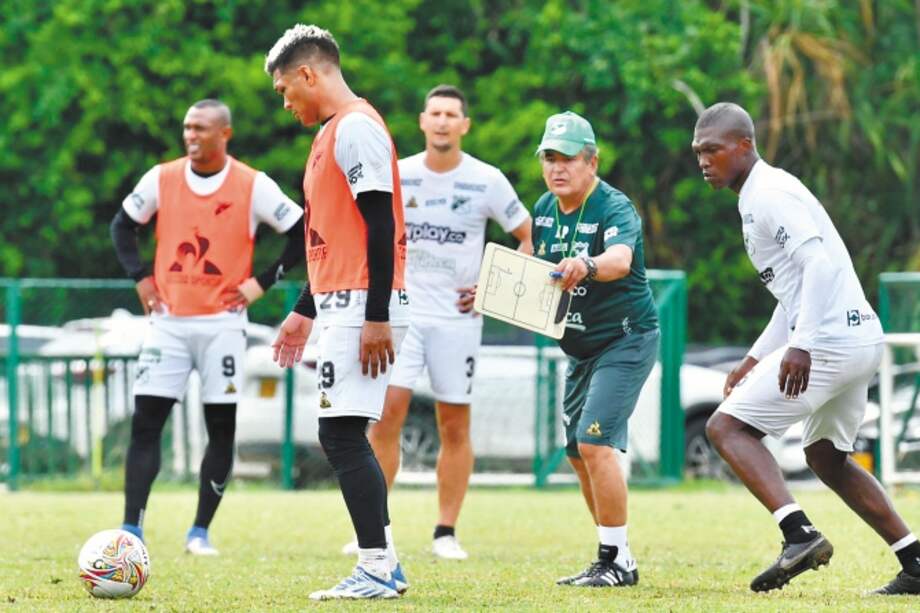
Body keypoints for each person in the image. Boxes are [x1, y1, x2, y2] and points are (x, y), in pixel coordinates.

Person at [692, 102, 920, 595]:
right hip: (856, 338)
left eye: (713, 149)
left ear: (744, 145)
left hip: (832, 342)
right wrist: (756, 357)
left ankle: (799, 535)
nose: (704, 160)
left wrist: (803, 345)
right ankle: (916, 560)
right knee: (826, 457)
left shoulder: (770, 193)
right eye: (698, 152)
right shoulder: (755, 196)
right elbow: (793, 294)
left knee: (726, 427)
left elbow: (817, 265)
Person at [335, 85, 532, 561]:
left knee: (454, 426)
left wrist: (492, 289)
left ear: (465, 125)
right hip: (403, 316)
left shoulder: (486, 180)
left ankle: (446, 532)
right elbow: (369, 233)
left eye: (452, 115)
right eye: (436, 113)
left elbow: (527, 237)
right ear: (423, 121)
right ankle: (375, 528)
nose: (443, 122)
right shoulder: (399, 175)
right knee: (385, 419)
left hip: (457, 322)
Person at [110, 99, 305, 555]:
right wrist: (140, 277)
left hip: (223, 325)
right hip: (168, 324)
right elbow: (122, 226)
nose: (191, 136)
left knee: (220, 428)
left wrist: (263, 282)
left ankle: (199, 531)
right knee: (145, 425)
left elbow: (302, 231)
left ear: (225, 134)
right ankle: (131, 528)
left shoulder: (252, 185)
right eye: (186, 128)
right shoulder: (161, 178)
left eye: (200, 128)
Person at [265, 24, 411, 600]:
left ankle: (373, 566)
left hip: (361, 304)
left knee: (341, 434)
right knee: (344, 432)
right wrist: (306, 309)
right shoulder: (332, 132)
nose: (285, 102)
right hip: (342, 303)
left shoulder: (354, 128)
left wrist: (376, 314)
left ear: (309, 73)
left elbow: (381, 224)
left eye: (283, 89)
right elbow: (333, 235)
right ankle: (387, 563)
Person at [531, 111, 659, 587]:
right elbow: (531, 265)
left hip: (626, 338)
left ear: (592, 161)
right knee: (576, 451)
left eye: (567, 158)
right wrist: (485, 289)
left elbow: (620, 260)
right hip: (581, 348)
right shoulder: (545, 206)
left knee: (594, 441)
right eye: (549, 157)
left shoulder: (614, 206)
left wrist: (586, 263)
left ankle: (615, 560)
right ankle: (613, 554)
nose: (557, 167)